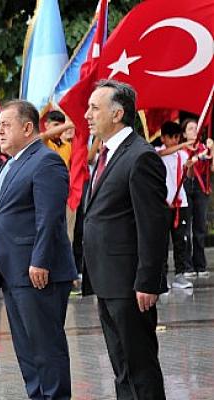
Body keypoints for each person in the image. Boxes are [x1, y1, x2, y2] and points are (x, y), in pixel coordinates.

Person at [82, 80, 167, 399]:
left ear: (117, 114)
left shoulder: (140, 156)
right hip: (108, 280)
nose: (87, 114)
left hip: (130, 283)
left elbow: (153, 225)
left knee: (139, 365)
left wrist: (148, 280)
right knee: (121, 366)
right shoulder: (106, 155)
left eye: (94, 108)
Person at [0, 100, 78, 400]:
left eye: (6, 125)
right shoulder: (8, 164)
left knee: (45, 347)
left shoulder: (45, 160)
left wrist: (39, 260)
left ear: (28, 128)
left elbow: (49, 217)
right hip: (11, 271)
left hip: (38, 271)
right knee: (26, 349)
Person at [156, 122, 195, 289]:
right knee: (162, 242)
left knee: (180, 241)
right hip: (164, 203)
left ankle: (180, 274)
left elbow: (190, 176)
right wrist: (184, 144)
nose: (174, 140)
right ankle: (162, 277)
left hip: (181, 203)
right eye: (170, 137)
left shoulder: (182, 155)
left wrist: (190, 167)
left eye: (176, 137)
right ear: (163, 138)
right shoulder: (157, 151)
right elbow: (164, 152)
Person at [181, 119, 213, 278]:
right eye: (190, 128)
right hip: (186, 187)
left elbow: (212, 168)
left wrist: (212, 150)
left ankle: (200, 265)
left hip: (201, 189)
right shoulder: (181, 149)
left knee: (200, 228)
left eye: (196, 128)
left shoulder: (205, 149)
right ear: (184, 134)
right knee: (186, 229)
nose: (194, 131)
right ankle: (187, 266)